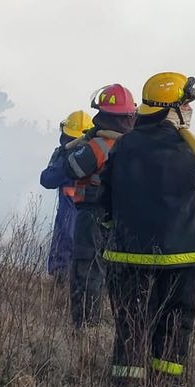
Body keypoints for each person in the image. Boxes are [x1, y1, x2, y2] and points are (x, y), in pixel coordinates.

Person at [100, 71, 195, 387]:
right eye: (186, 104)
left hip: (127, 253)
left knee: (130, 322)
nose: (189, 110)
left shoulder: (122, 147)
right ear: (171, 108)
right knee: (176, 321)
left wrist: (110, 227)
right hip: (182, 254)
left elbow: (103, 195)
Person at [58, 84, 136, 328]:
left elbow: (73, 168)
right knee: (114, 270)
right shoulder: (131, 143)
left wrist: (81, 146)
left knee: (86, 267)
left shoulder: (98, 145)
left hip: (92, 214)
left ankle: (85, 324)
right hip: (120, 218)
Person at [40, 109, 93, 286]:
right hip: (92, 214)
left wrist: (56, 161)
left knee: (64, 244)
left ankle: (61, 283)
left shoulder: (65, 159)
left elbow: (47, 180)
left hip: (69, 213)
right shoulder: (95, 154)